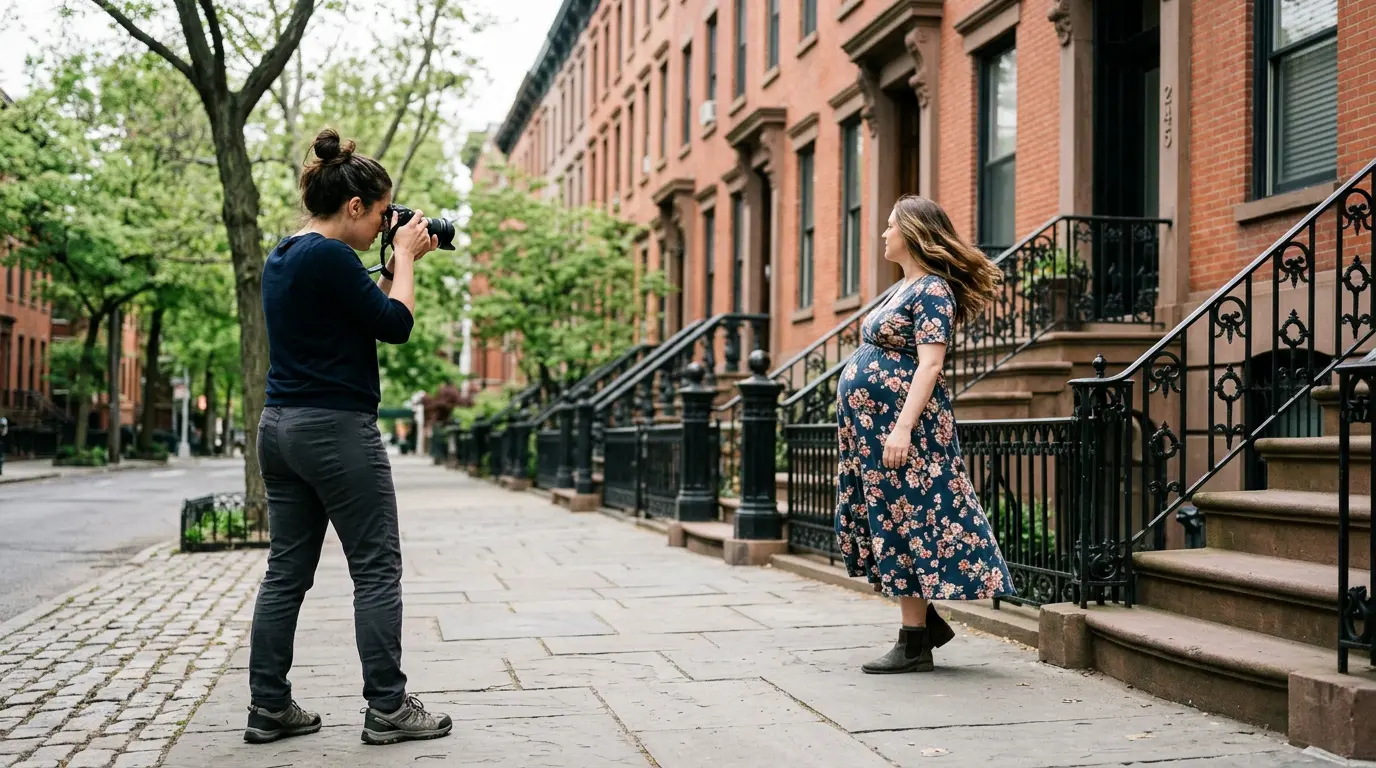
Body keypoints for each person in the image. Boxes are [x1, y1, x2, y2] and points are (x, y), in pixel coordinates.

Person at [244, 128, 452, 746]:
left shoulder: (287, 253)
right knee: (376, 567)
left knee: (286, 572)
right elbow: (395, 325)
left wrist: (393, 267)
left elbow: (365, 312)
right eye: (385, 212)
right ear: (354, 207)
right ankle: (388, 706)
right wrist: (408, 261)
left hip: (279, 429)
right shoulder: (332, 256)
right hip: (334, 428)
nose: (390, 222)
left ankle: (268, 706)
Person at [834, 194, 1016, 674]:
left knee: (907, 521)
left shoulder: (932, 290)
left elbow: (931, 362)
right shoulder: (904, 286)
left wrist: (902, 428)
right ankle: (925, 625)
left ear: (913, 232)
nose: (884, 233)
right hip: (873, 433)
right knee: (891, 519)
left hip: (904, 431)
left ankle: (914, 644)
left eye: (891, 225)